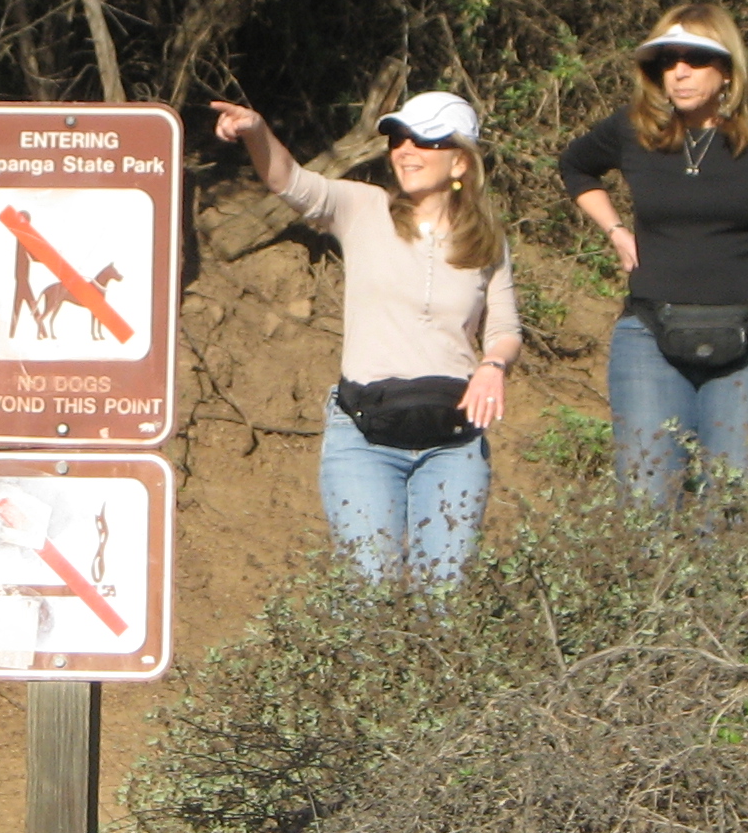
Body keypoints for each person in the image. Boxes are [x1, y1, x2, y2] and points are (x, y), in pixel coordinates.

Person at [210, 88, 523, 585]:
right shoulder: (363, 206)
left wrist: (493, 366)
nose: (406, 150)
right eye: (399, 139)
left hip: (453, 441)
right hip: (363, 435)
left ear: (461, 162)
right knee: (368, 592)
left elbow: (504, 327)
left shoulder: (487, 239)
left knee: (445, 597)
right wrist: (256, 131)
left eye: (425, 140)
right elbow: (289, 180)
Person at [558, 2, 748, 504]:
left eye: (695, 59)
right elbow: (575, 166)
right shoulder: (632, 129)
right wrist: (615, 229)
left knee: (734, 502)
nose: (679, 72)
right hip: (649, 333)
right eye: (666, 61)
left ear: (727, 69)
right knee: (646, 499)